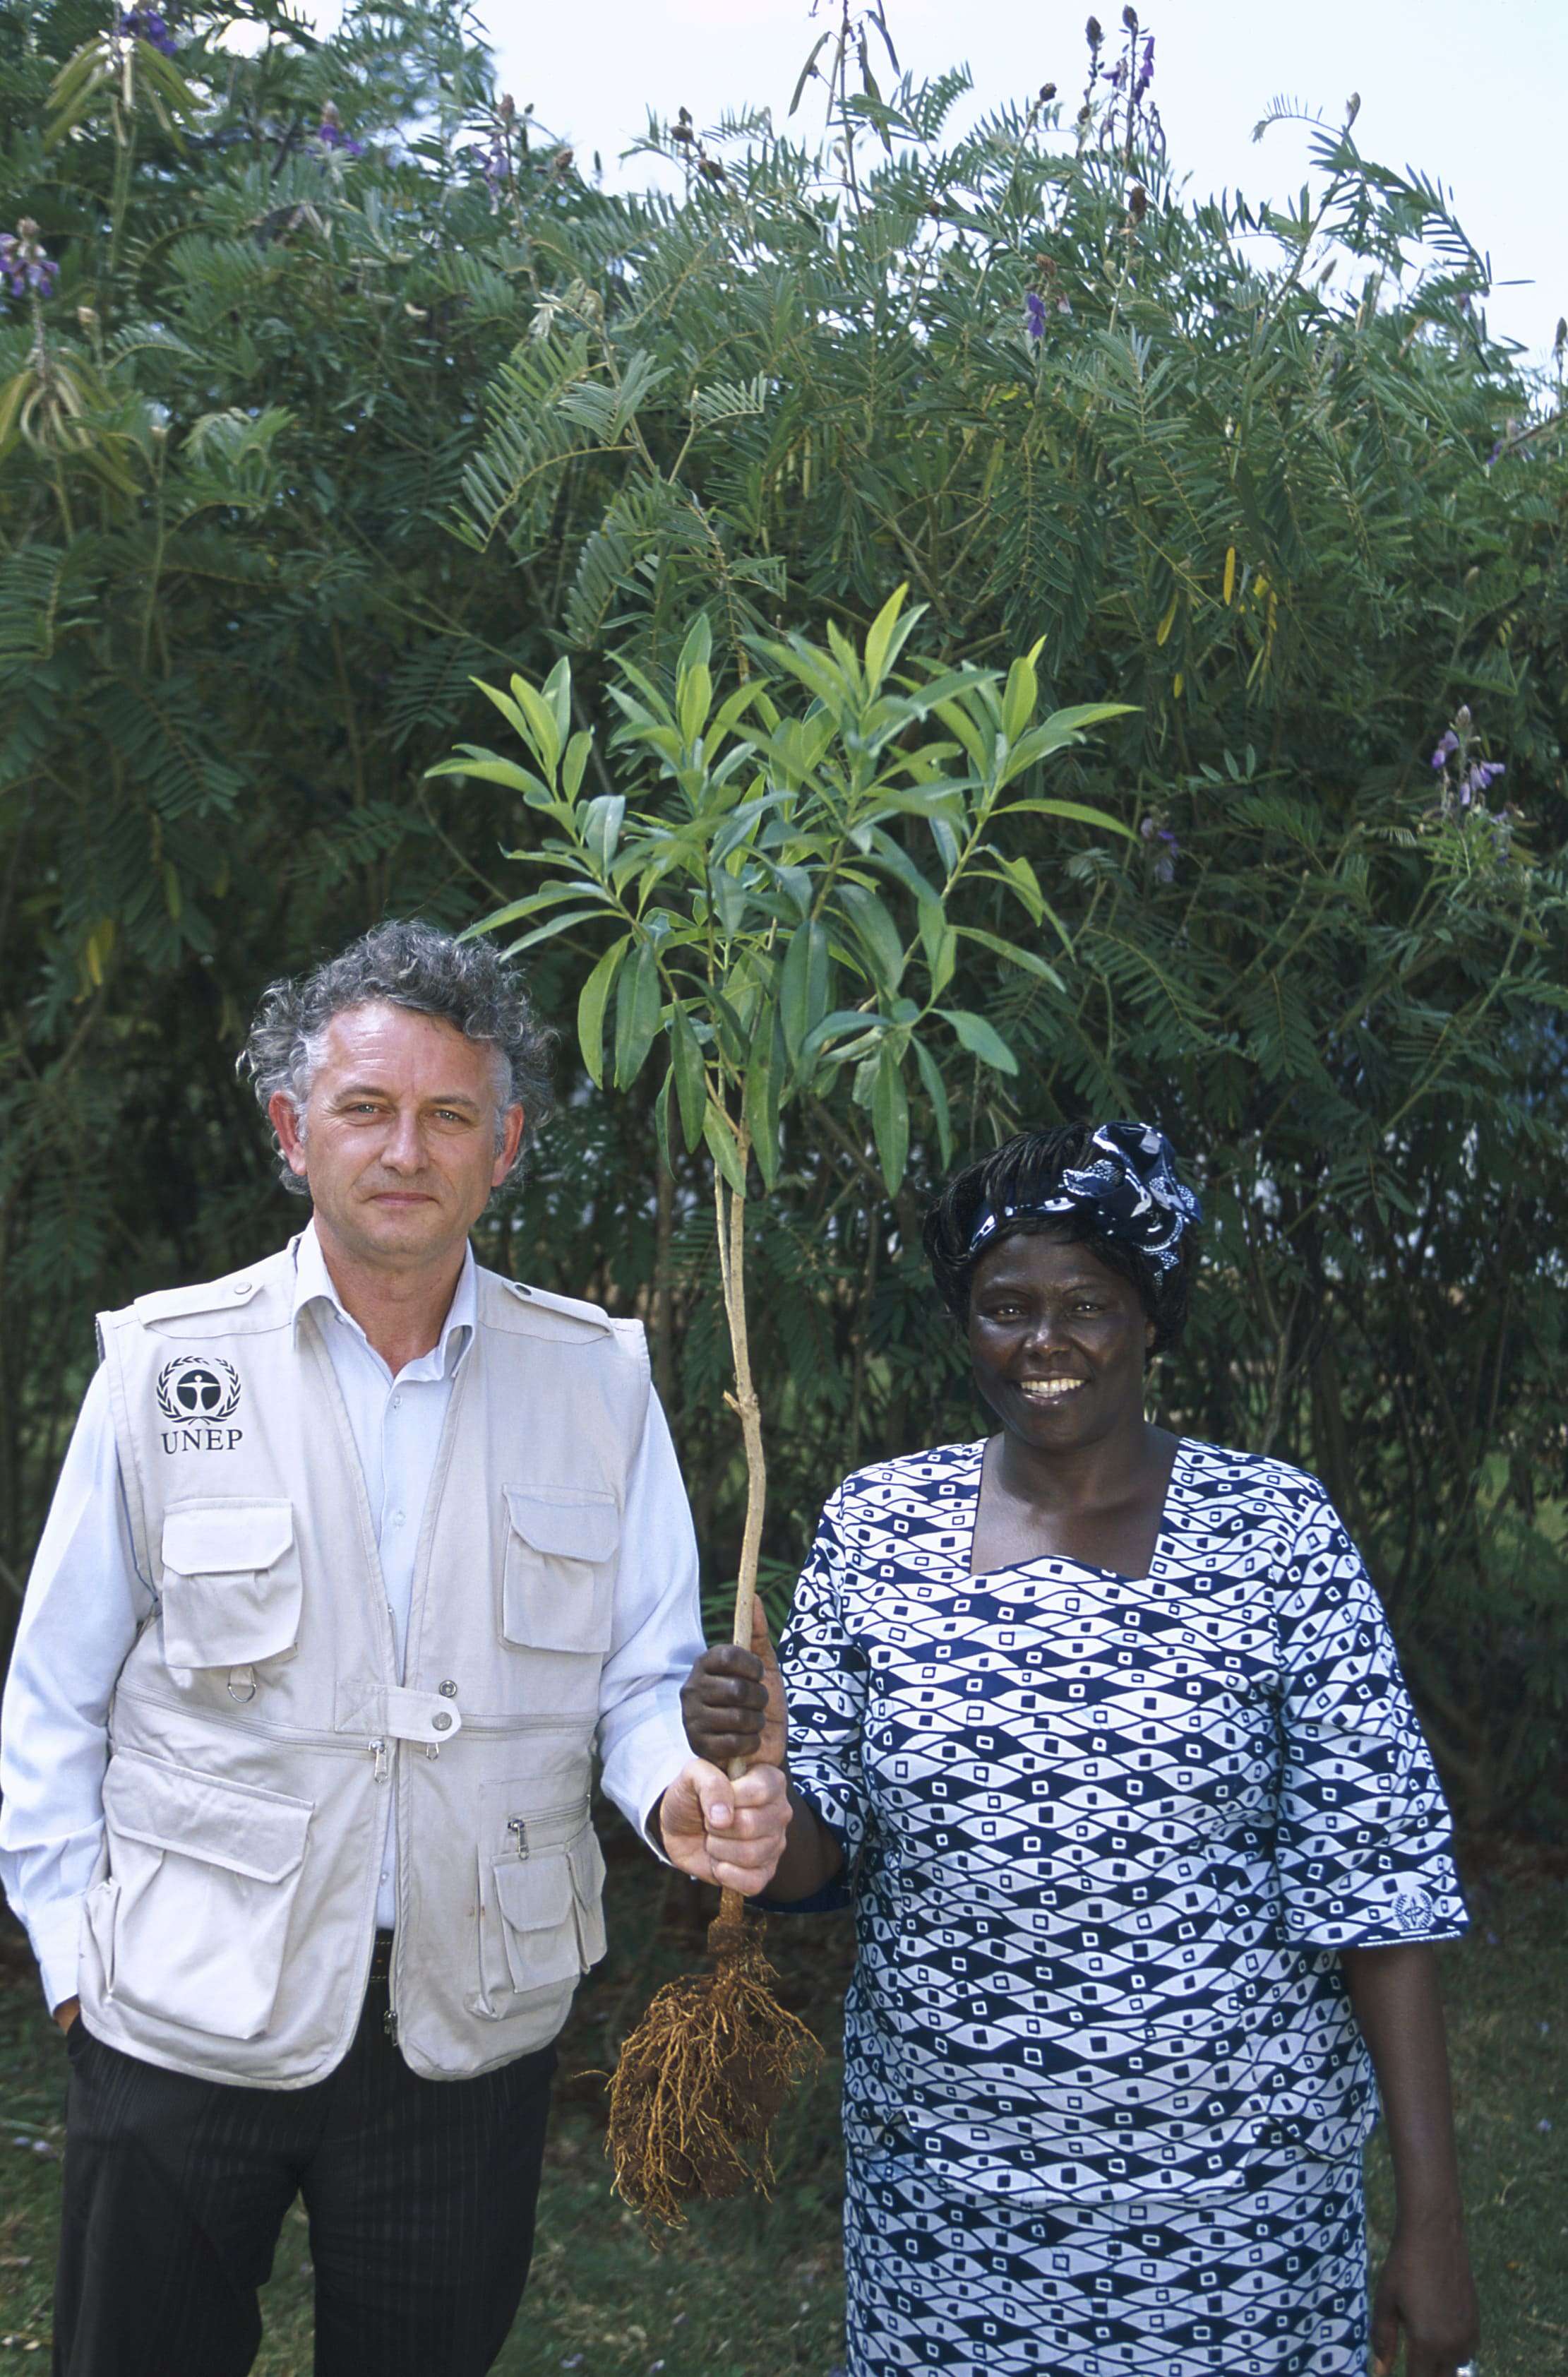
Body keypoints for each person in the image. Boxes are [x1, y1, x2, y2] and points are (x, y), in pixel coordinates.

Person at [0, 919, 789, 2377]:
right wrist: (73, 1964)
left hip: (465, 2020)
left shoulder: (597, 1382)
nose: (405, 1149)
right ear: (297, 1133)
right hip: (182, 2014)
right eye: (366, 1109)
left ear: (508, 1144)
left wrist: (681, 1795)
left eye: (448, 1116)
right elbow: (54, 1699)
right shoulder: (166, 1365)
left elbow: (637, 1680)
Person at [683, 1121, 1481, 2377]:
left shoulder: (1273, 1534)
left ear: (1149, 1316)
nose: (1042, 1341)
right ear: (965, 1323)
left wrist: (1431, 2222)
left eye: (1086, 1306)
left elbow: (1375, 1889)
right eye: (1005, 1306)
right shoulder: (879, 1524)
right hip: (949, 2218)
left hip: (1233, 2223)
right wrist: (760, 1779)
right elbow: (808, 1871)